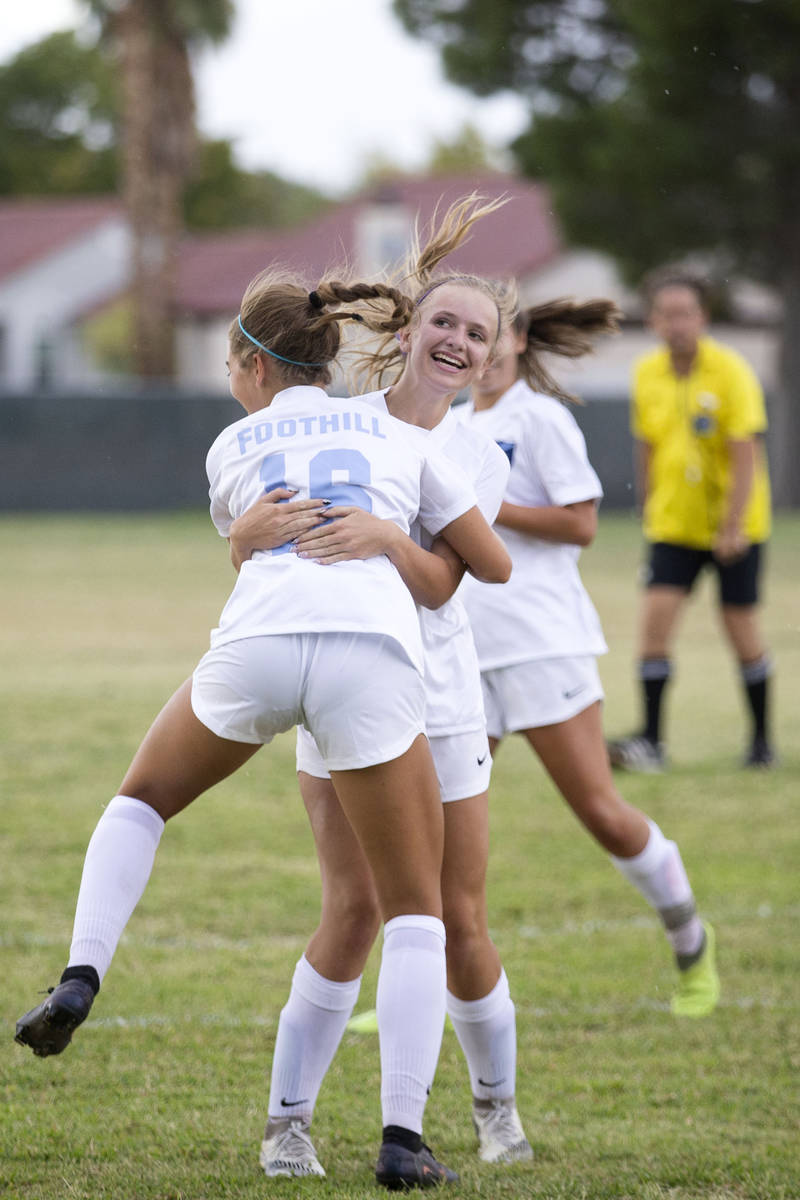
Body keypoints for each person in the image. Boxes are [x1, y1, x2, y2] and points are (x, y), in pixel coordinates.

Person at [14, 250, 513, 1190]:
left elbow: (250, 550)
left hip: (261, 643)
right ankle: (402, 1140)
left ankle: (82, 970)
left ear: (251, 365)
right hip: (370, 659)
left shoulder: (227, 447)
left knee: (141, 801)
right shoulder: (404, 443)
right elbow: (488, 565)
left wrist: (272, 537)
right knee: (414, 911)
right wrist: (395, 534)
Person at [227, 228, 533, 1179]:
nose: (458, 341)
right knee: (352, 908)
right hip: (343, 687)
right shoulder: (344, 419)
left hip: (438, 697)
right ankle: (287, 1128)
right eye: (445, 320)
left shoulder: (478, 456)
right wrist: (242, 536)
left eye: (477, 335)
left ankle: (495, 1113)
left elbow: (450, 580)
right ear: (408, 333)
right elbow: (267, 549)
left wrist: (385, 541)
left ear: (489, 358)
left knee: (458, 914)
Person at [457, 297, 720, 1022]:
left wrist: (484, 508)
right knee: (441, 830)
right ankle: (415, 984)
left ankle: (692, 942)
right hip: (465, 656)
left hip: (545, 646)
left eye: (487, 330)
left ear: (513, 337)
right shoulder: (449, 425)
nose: (474, 347)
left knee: (602, 813)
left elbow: (581, 524)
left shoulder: (540, 417)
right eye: (457, 332)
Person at [607, 269, 774, 771]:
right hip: (673, 527)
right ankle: (652, 743)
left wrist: (732, 526)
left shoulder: (731, 371)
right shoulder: (646, 372)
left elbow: (745, 453)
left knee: (739, 626)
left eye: (686, 313)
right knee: (654, 627)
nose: (676, 324)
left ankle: (762, 743)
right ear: (654, 320)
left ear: (701, 317)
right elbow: (648, 443)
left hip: (736, 528)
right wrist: (648, 503)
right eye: (666, 314)